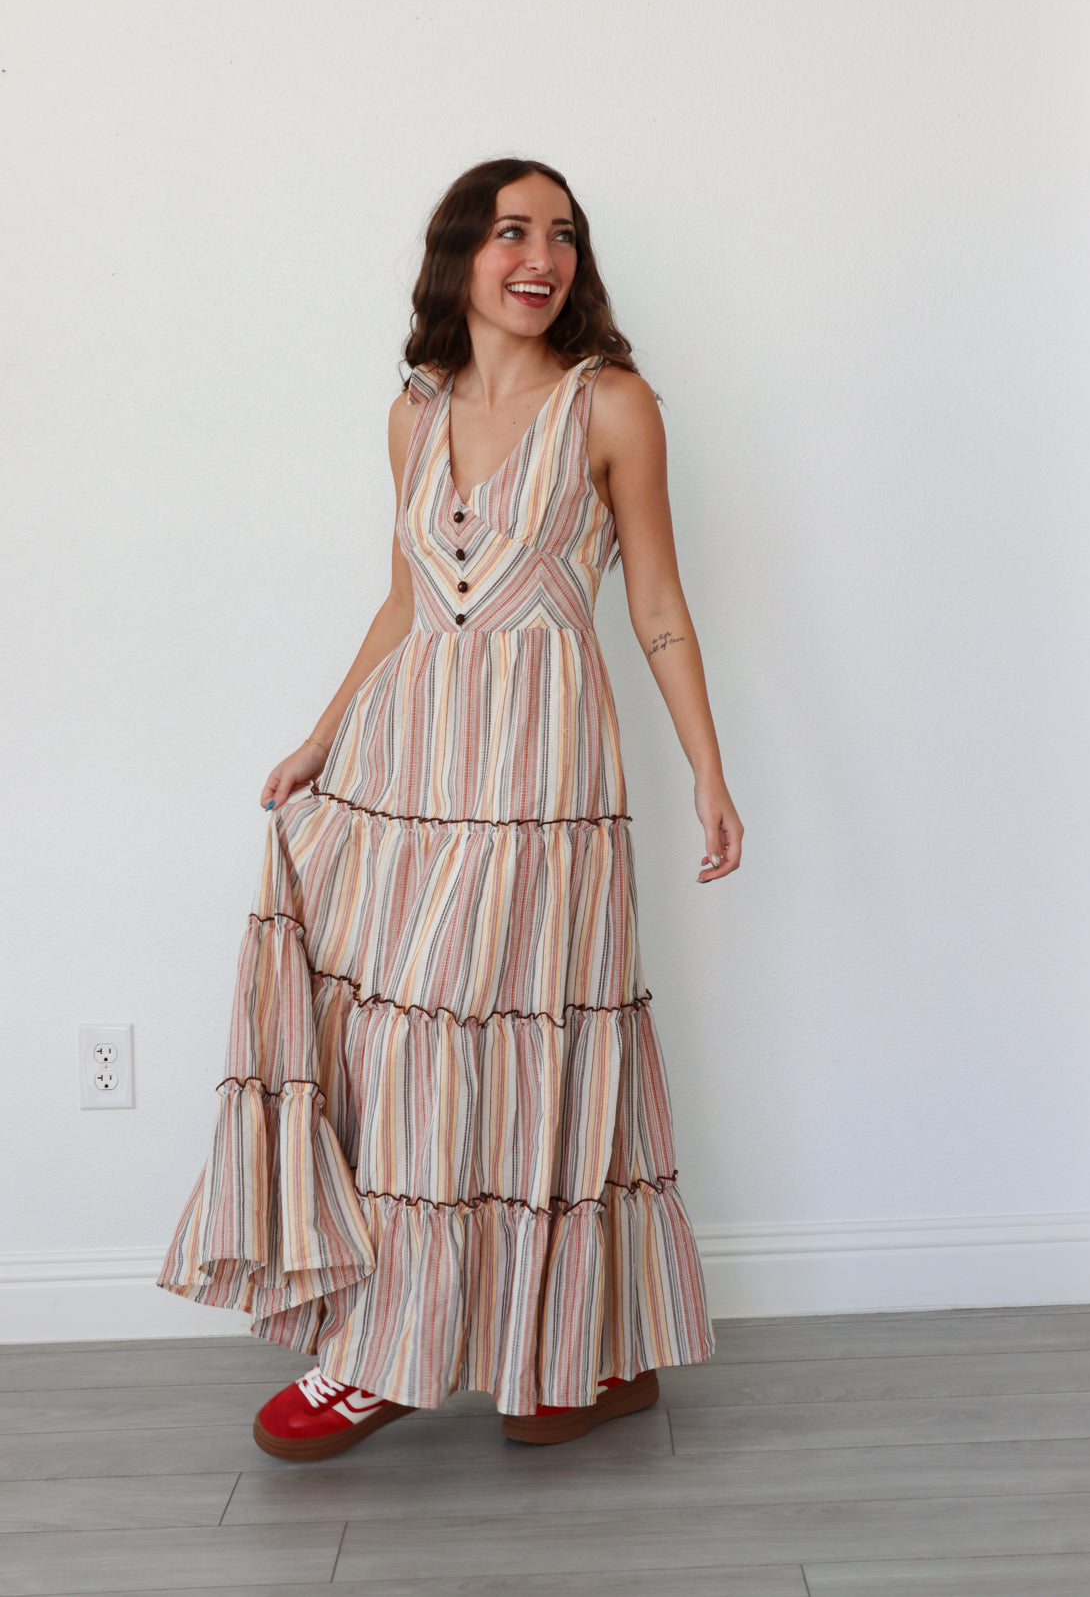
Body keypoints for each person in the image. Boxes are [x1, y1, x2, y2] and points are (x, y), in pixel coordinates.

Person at [157, 156, 743, 1460]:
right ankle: (391, 1351)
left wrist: (707, 771)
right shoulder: (409, 414)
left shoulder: (614, 406)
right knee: (402, 1044)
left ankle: (568, 1352)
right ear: (459, 255)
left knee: (524, 1039)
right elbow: (405, 600)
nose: (539, 255)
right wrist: (319, 739)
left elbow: (653, 605)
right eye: (510, 231)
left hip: (543, 779)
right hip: (411, 767)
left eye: (562, 237)